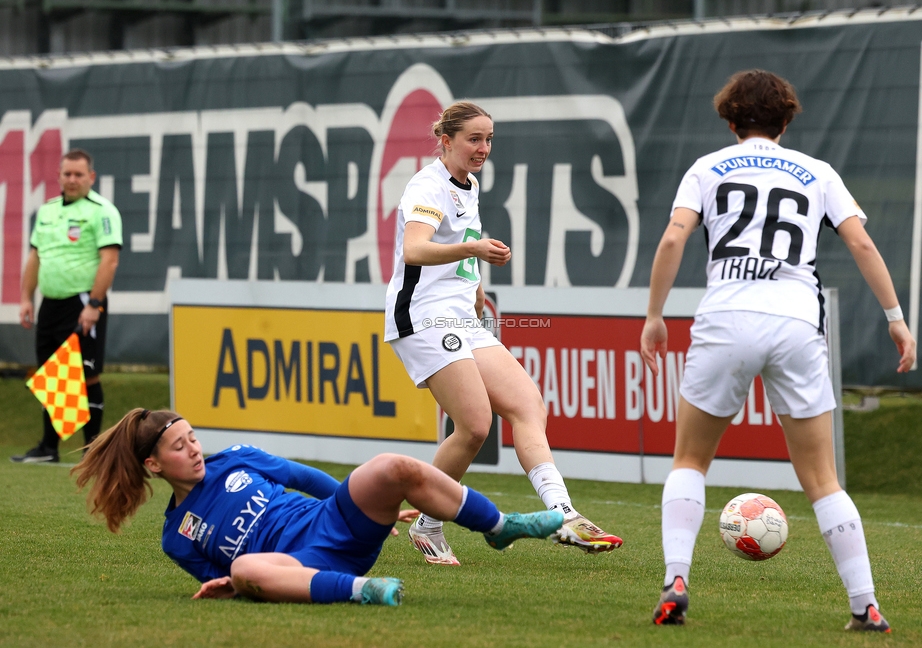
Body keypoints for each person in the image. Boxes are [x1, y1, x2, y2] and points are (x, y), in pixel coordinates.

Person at [639, 70, 915, 631]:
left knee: (690, 460)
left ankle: (675, 582)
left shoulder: (707, 167)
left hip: (726, 318)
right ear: (786, 121)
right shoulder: (818, 172)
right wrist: (896, 318)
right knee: (822, 478)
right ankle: (865, 605)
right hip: (795, 320)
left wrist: (653, 316)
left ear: (730, 119)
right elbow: (860, 240)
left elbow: (673, 237)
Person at [384, 101, 623, 565]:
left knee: (527, 403)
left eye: (489, 139)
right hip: (422, 316)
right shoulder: (426, 184)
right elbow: (414, 249)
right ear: (446, 139)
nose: (483, 148)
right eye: (474, 138)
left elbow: (459, 247)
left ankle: (563, 515)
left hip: (458, 315)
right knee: (474, 426)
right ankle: (429, 522)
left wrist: (474, 287)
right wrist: (472, 247)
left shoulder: (468, 184)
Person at [71, 409, 565, 605]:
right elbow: (219, 580)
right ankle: (364, 591)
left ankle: (500, 525)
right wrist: (232, 583)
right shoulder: (175, 537)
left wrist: (364, 503)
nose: (194, 449)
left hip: (332, 523)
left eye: (192, 438)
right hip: (300, 567)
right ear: (154, 466)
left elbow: (305, 478)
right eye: (179, 447)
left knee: (391, 466)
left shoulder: (238, 458)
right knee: (244, 566)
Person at [12, 149, 122, 463]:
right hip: (51, 303)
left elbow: (110, 261)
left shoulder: (103, 211)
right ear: (59, 176)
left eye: (78, 174)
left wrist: (95, 305)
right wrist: (25, 297)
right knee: (53, 374)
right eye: (67, 174)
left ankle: (93, 452)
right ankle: (49, 448)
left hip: (84, 302)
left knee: (86, 374)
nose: (72, 180)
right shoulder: (46, 211)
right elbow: (35, 257)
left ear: (91, 177)